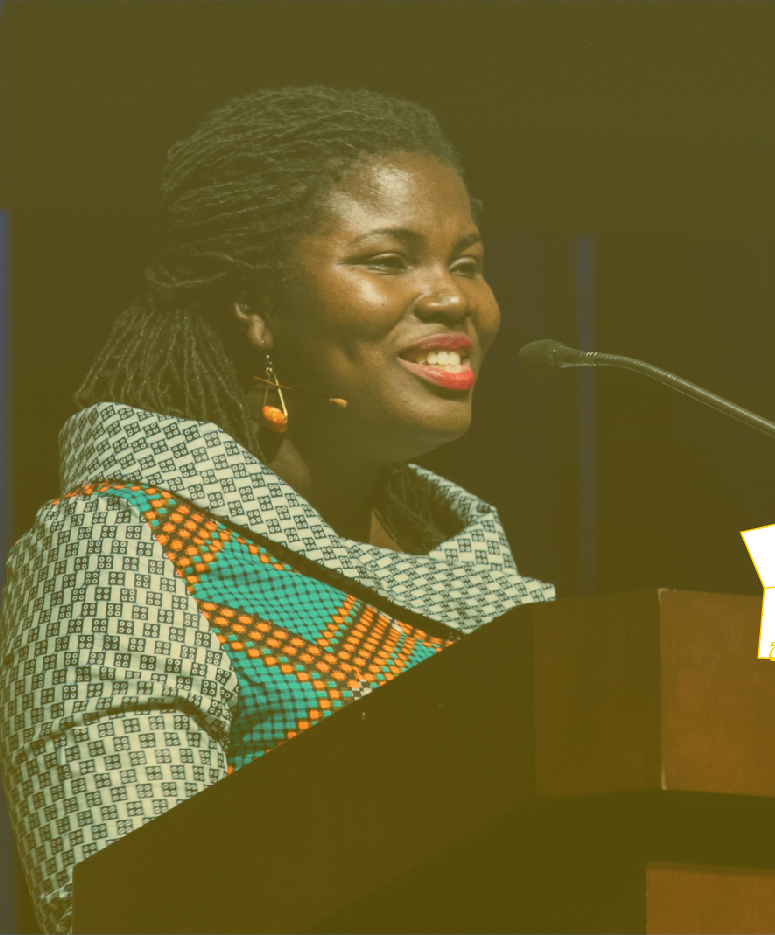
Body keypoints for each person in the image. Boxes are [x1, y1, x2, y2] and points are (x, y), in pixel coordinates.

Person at [0, 86, 555, 933]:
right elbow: (129, 908)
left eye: (468, 263)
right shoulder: (124, 544)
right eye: (387, 260)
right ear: (255, 308)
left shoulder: (505, 598)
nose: (454, 301)